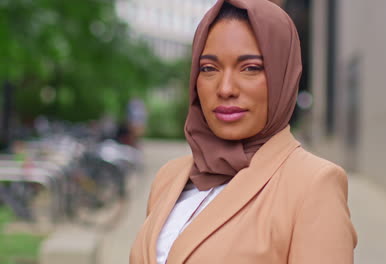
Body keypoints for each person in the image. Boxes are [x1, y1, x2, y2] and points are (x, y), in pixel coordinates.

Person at [130, 1, 357, 263]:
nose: (225, 88)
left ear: (282, 76)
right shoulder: (169, 178)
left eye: (250, 68)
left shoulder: (313, 185)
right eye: (209, 69)